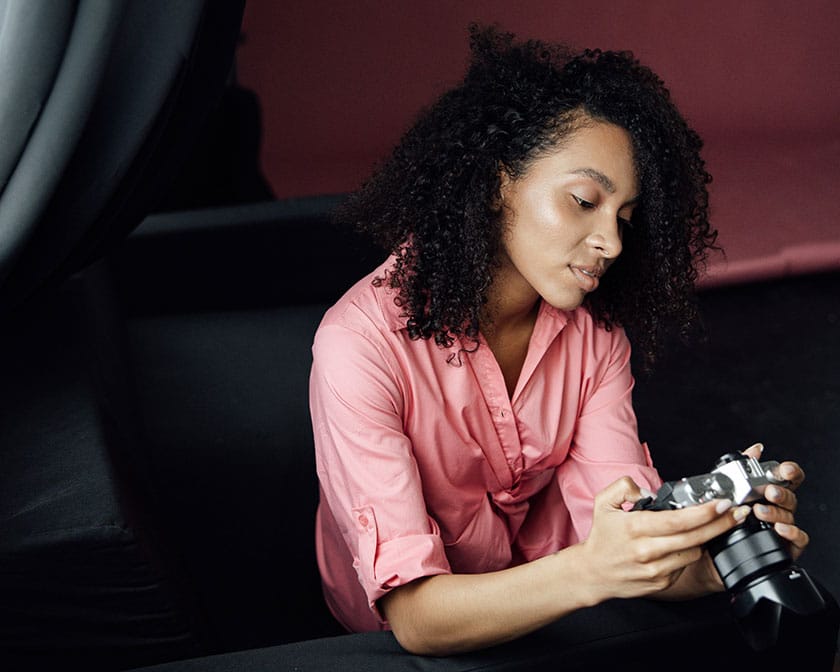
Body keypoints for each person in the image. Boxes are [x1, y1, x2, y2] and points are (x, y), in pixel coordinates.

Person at [308, 24, 838, 667]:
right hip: (416, 642)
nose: (611, 243)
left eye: (625, 217)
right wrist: (594, 571)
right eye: (584, 201)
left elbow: (624, 534)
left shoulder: (595, 335)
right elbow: (417, 620)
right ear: (500, 179)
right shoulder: (357, 347)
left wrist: (726, 545)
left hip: (560, 598)